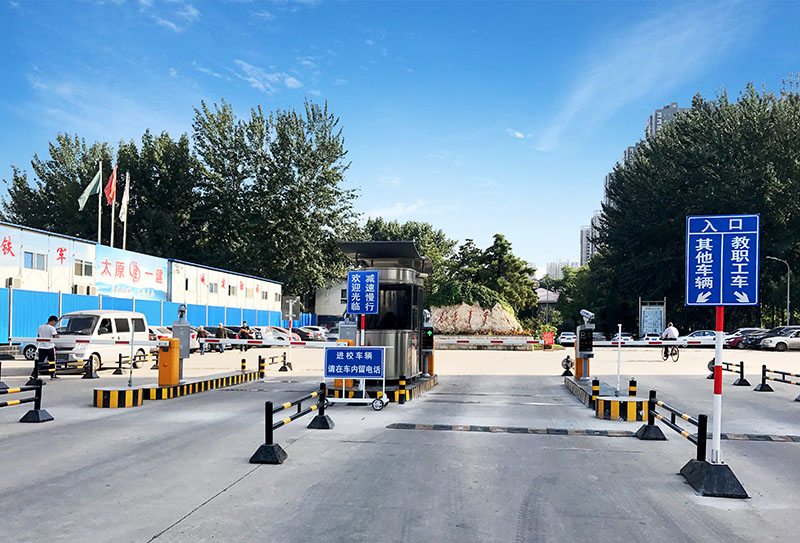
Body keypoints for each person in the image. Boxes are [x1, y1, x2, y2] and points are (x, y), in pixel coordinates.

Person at [33, 315, 60, 380]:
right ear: (53, 321)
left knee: (40, 362)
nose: (55, 325)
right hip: (50, 347)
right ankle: (53, 375)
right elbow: (55, 336)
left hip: (41, 347)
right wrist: (59, 336)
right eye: (55, 323)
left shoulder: (40, 327)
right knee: (52, 362)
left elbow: (38, 335)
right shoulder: (51, 328)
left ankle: (33, 375)